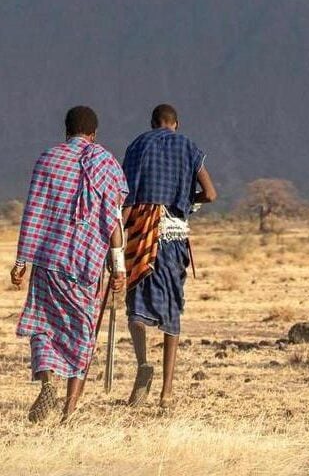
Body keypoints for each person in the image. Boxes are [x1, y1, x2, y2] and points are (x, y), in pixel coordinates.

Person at [11, 106, 128, 423]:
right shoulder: (106, 164)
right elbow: (113, 221)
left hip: (49, 261)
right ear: (94, 134)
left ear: (66, 131)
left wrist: (22, 260)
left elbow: (33, 213)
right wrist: (119, 268)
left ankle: (47, 380)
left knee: (43, 325)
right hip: (85, 266)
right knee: (82, 335)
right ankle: (68, 410)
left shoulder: (48, 160)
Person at [122, 103, 217, 408]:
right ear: (176, 123)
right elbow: (211, 194)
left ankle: (142, 364)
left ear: (153, 123)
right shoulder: (188, 146)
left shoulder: (137, 145)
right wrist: (189, 200)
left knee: (135, 305)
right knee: (171, 310)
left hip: (139, 234)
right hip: (173, 236)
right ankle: (166, 393)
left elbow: (124, 195)